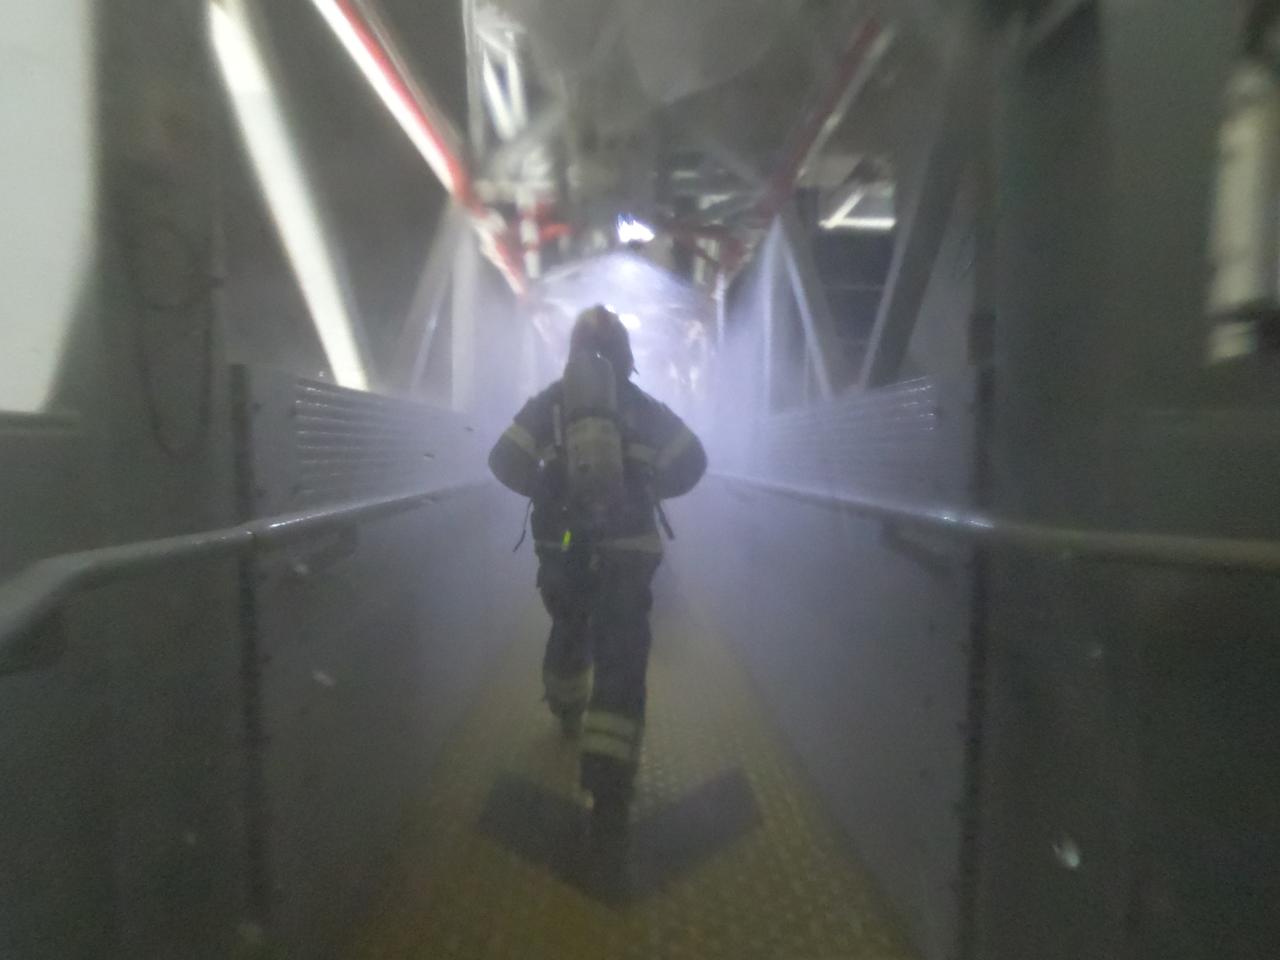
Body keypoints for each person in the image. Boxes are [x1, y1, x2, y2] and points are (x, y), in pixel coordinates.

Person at [488, 304, 707, 838]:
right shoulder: (642, 407)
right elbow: (693, 462)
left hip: (564, 545)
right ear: (627, 357)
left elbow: (502, 461)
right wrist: (649, 486)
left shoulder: (550, 405)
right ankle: (609, 791)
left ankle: (566, 711)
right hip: (629, 549)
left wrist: (546, 486)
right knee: (622, 660)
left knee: (569, 627)